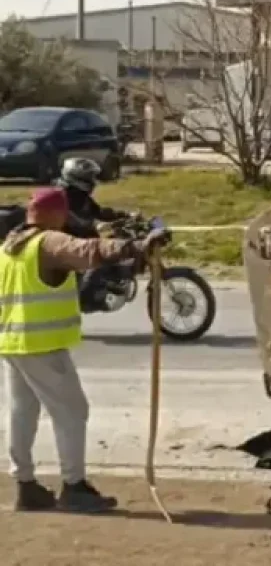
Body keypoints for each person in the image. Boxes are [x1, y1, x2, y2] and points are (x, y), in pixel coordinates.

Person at [0, 186, 164, 512]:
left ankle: (26, 485)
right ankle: (74, 486)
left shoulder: (9, 247)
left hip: (13, 343)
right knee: (72, 412)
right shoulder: (48, 242)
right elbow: (87, 250)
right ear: (55, 214)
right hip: (42, 345)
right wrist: (135, 247)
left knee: (23, 413)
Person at [56, 158, 129, 238]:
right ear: (77, 177)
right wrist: (99, 224)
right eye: (89, 177)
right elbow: (80, 222)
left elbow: (98, 211)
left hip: (86, 239)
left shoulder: (80, 195)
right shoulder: (64, 198)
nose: (92, 180)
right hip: (72, 242)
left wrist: (123, 215)